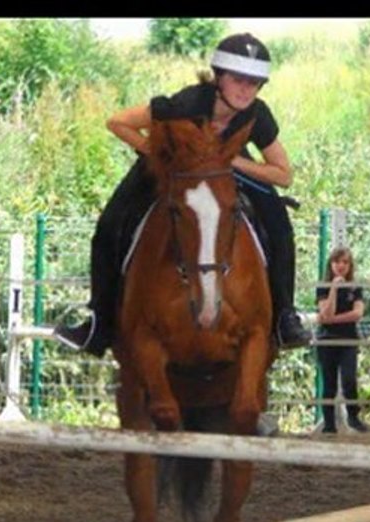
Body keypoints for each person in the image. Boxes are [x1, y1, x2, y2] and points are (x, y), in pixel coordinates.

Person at [54, 32, 312, 356]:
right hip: (169, 167)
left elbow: (283, 174)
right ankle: (99, 322)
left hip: (229, 169)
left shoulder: (257, 114)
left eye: (254, 83)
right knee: (109, 225)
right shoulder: (186, 103)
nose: (246, 90)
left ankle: (285, 316)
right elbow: (118, 123)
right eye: (238, 80)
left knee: (279, 224)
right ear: (219, 77)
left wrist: (231, 160)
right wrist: (163, 155)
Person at [316, 246, 369, 433]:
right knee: (329, 383)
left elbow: (357, 313)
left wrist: (331, 319)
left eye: (345, 262)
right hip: (327, 341)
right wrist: (333, 289)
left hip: (348, 340)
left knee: (349, 379)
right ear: (331, 264)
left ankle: (353, 416)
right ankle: (329, 424)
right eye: (337, 261)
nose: (341, 266)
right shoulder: (322, 287)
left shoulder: (355, 287)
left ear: (350, 265)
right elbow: (325, 311)